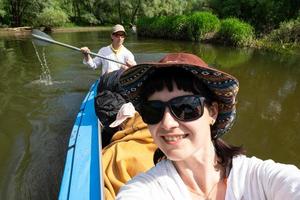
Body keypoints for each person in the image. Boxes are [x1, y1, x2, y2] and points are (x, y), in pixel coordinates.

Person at [116, 53, 300, 199]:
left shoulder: (258, 179)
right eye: (153, 110)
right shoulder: (145, 190)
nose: (166, 123)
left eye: (185, 107)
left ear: (212, 112)